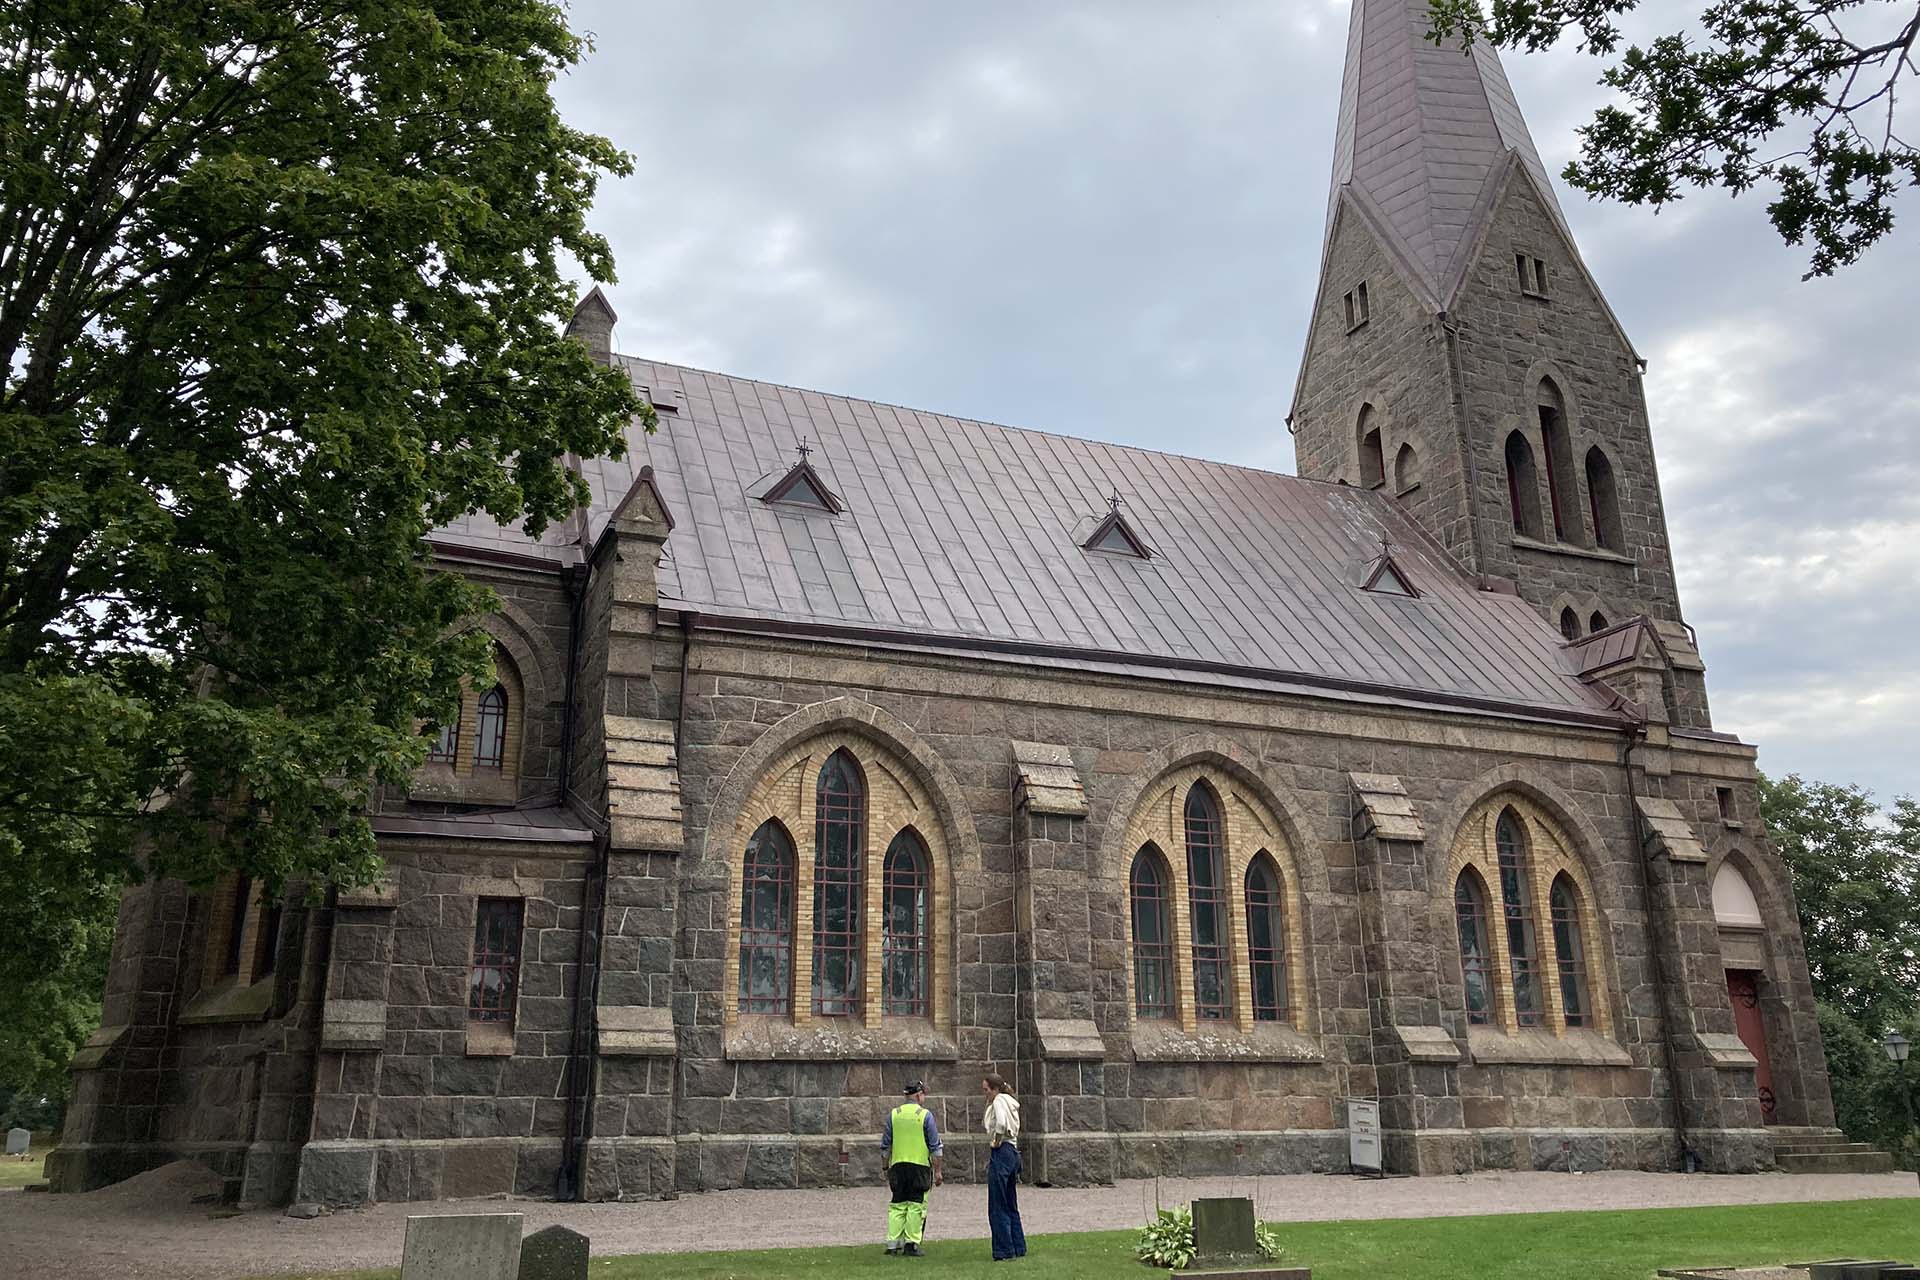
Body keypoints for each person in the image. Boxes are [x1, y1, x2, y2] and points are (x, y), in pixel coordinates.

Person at [881, 1078, 944, 1258]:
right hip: (919, 1166)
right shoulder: (925, 1116)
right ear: (918, 1095)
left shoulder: (893, 1114)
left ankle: (893, 1244)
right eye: (923, 1094)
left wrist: (885, 1168)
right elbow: (935, 1147)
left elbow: (885, 1146)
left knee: (897, 1204)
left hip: (898, 1166)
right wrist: (938, 1171)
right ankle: (912, 1244)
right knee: (916, 1205)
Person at [982, 1073, 1028, 1261]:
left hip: (1003, 1151)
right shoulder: (1009, 1101)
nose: (985, 1094)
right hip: (1013, 1152)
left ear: (995, 1089)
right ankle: (1018, 1246)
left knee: (997, 1204)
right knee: (1010, 1203)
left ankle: (1003, 1250)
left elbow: (1000, 1123)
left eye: (986, 1090)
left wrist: (996, 1140)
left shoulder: (1000, 1100)